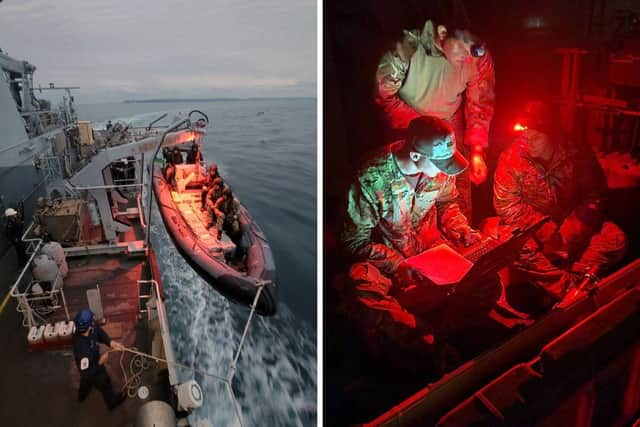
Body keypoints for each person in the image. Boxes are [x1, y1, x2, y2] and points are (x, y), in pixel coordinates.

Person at [341, 116, 498, 361]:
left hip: (431, 249)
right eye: (441, 163)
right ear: (415, 156)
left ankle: (449, 336)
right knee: (360, 287)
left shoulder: (441, 170)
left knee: (488, 281)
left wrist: (461, 229)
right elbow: (354, 243)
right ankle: (424, 340)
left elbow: (448, 204)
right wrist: (398, 264)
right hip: (387, 261)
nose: (446, 170)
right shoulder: (371, 177)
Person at [493, 100, 627, 308]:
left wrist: (569, 234)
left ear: (552, 134)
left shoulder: (577, 153)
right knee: (509, 243)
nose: (527, 140)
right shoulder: (511, 159)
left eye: (536, 135)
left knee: (615, 238)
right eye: (525, 133)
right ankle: (570, 290)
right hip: (537, 232)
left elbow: (595, 194)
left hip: (573, 230)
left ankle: (561, 278)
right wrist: (549, 234)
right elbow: (508, 206)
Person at [376, 20, 495, 219]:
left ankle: (459, 239)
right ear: (441, 34)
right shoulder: (405, 49)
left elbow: (480, 102)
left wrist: (476, 149)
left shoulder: (477, 53)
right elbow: (384, 96)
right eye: (462, 48)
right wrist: (425, 133)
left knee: (457, 193)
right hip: (408, 126)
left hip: (450, 123)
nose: (467, 59)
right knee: (412, 195)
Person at [72, 309, 126, 410]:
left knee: (85, 382)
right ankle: (112, 403)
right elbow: (86, 373)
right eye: (91, 321)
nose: (93, 322)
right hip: (93, 367)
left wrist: (111, 343)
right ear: (88, 326)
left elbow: (99, 332)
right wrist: (101, 362)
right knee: (103, 381)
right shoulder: (82, 350)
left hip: (93, 360)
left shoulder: (88, 329)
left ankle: (81, 396)